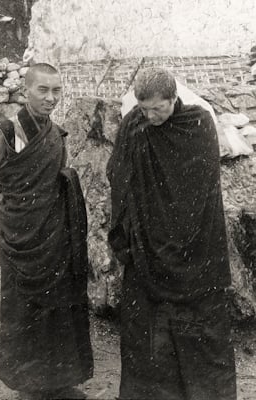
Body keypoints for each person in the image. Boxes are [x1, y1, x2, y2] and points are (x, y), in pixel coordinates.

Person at [107, 68, 236, 400]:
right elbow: (117, 175)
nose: (151, 116)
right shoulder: (135, 125)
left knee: (201, 331)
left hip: (196, 245)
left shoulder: (199, 123)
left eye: (158, 109)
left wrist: (179, 230)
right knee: (148, 334)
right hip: (148, 245)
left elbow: (203, 185)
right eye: (144, 108)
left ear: (173, 98)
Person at [0, 63, 93, 400]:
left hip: (55, 234)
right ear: (26, 91)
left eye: (57, 90)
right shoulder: (7, 130)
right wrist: (2, 223)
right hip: (20, 238)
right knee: (24, 311)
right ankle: (28, 384)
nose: (51, 98)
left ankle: (58, 380)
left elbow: (60, 180)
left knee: (58, 308)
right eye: (43, 90)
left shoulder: (57, 133)